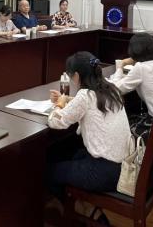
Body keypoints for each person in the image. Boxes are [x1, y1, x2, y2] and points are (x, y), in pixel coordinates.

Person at [47, 52, 131, 197]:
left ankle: (69, 204)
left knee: (49, 171)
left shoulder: (85, 95)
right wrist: (66, 99)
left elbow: (55, 122)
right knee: (72, 154)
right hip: (121, 167)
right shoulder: (111, 88)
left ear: (76, 75)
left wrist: (59, 105)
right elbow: (90, 103)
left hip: (102, 173)